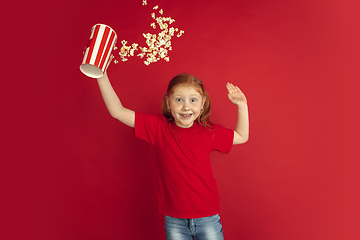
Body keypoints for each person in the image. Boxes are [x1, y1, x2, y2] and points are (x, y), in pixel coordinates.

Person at [96, 65, 249, 240]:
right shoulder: (158, 128)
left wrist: (242, 106)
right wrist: (101, 76)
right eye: (179, 100)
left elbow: (241, 136)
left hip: (207, 216)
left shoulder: (209, 132)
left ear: (202, 104)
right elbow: (118, 112)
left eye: (193, 100)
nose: (186, 107)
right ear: (168, 103)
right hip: (174, 219)